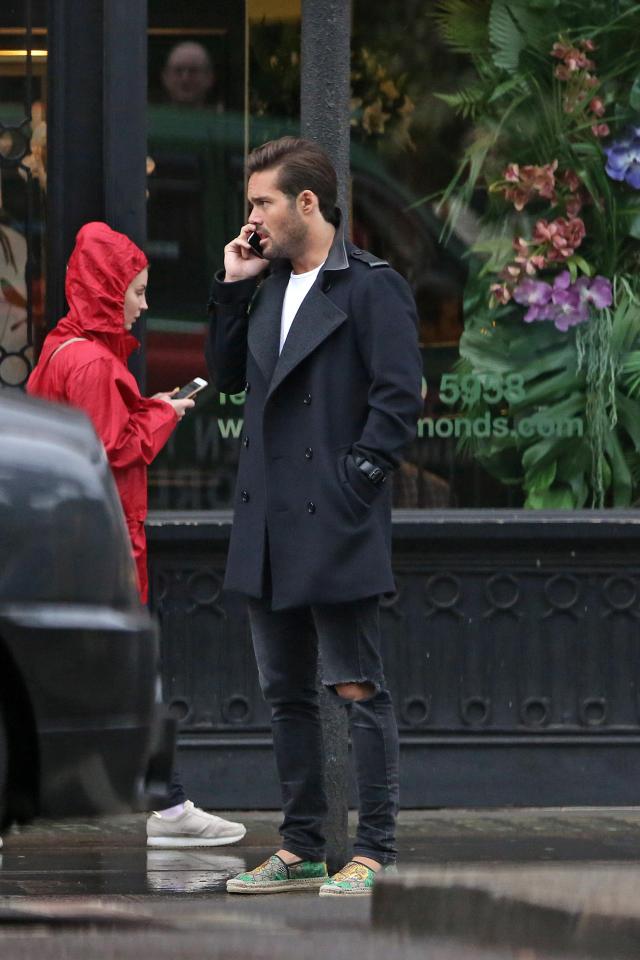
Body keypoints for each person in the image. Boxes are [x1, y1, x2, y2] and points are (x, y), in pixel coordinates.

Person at [206, 137, 423, 896]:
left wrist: (353, 483)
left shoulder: (371, 286)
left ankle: (373, 849)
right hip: (268, 520)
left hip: (332, 518)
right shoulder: (267, 284)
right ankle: (300, 846)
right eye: (250, 204)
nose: (252, 218)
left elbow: (400, 399)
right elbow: (230, 380)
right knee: (285, 693)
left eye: (262, 202)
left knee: (357, 687)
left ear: (307, 203)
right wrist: (234, 285)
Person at [27, 221, 246, 849]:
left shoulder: (62, 348)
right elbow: (110, 448)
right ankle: (171, 808)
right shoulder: (95, 363)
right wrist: (163, 413)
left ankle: (171, 804)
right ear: (108, 289)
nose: (145, 304)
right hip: (100, 542)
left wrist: (141, 408)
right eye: (138, 290)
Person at [161, 41, 222, 111]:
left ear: (209, 78)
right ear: (165, 77)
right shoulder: (150, 119)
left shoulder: (223, 120)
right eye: (178, 71)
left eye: (193, 71)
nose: (185, 78)